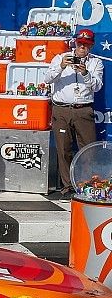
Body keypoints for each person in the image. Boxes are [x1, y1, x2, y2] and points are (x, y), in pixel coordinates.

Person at [43, 28, 104, 199]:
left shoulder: (95, 63)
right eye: (80, 43)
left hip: (83, 110)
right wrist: (62, 67)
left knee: (88, 149)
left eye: (86, 44)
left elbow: (97, 86)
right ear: (75, 42)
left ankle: (85, 185)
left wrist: (85, 73)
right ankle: (67, 186)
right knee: (63, 149)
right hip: (61, 109)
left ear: (91, 46)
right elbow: (47, 79)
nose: (82, 47)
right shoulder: (60, 58)